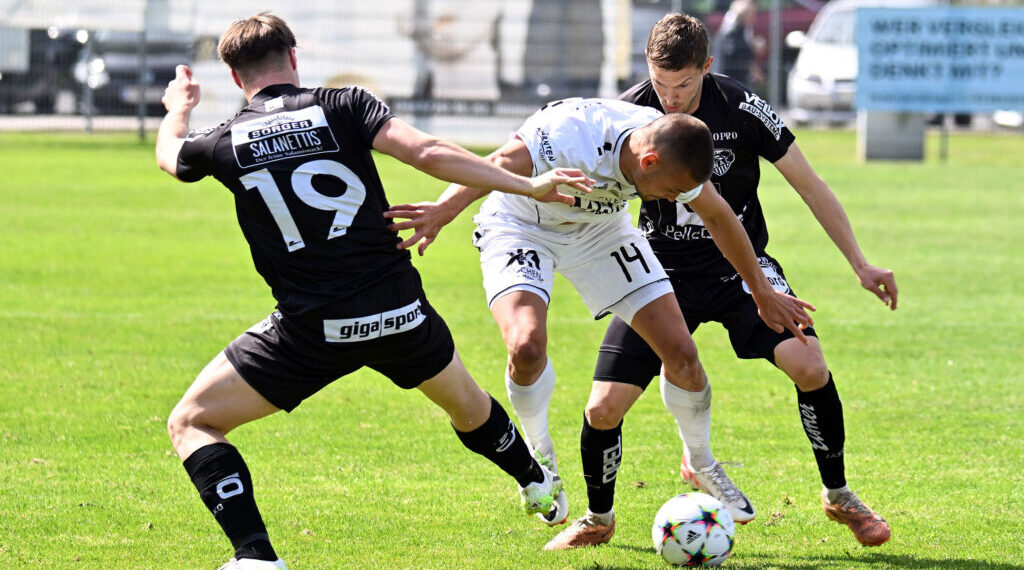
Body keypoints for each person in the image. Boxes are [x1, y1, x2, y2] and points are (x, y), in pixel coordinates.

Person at [155, 12, 597, 569]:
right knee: (467, 406)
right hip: (399, 312)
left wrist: (178, 109)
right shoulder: (344, 104)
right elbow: (428, 151)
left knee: (192, 421)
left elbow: (170, 157)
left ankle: (255, 555)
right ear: (293, 58)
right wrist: (526, 183)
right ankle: (536, 481)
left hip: (310, 330)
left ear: (234, 76)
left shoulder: (221, 142)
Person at [545, 13, 897, 550]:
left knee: (810, 365)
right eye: (660, 84)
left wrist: (860, 263)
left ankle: (839, 494)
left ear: (706, 67)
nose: (669, 97)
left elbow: (810, 185)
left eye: (682, 84)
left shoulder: (742, 106)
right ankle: (598, 518)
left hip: (743, 269)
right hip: (656, 273)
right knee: (602, 408)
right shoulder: (626, 112)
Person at [385, 97, 815, 534]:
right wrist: (443, 210)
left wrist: (761, 292)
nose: (671, 199)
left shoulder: (671, 149)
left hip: (601, 231)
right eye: (669, 191)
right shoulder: (572, 135)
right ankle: (541, 457)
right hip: (522, 223)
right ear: (647, 161)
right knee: (527, 347)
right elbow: (499, 161)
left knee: (682, 353)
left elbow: (719, 218)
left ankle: (701, 461)